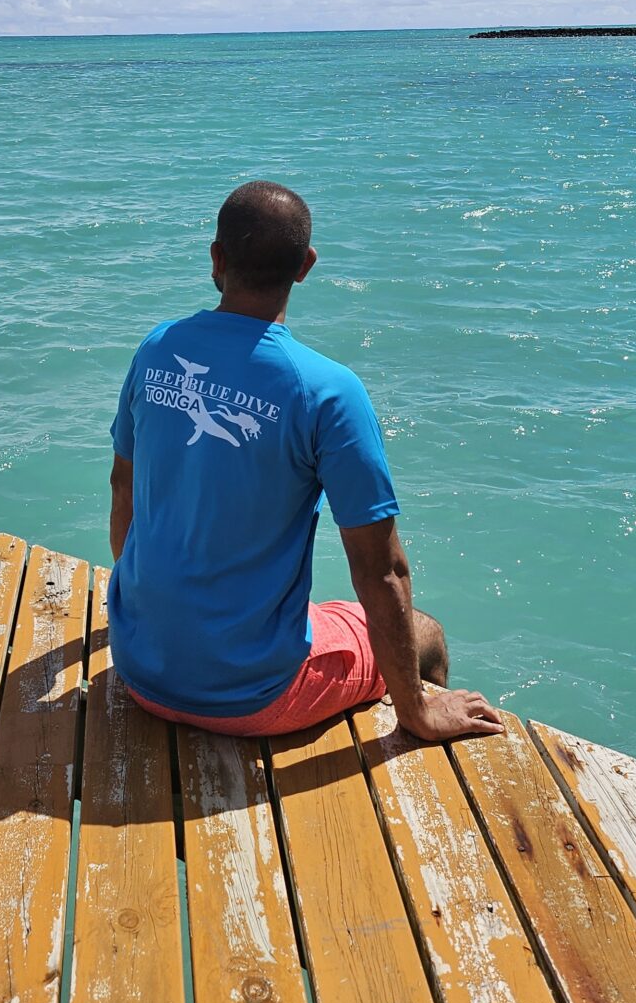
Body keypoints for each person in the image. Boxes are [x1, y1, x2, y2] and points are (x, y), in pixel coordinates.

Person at [107, 180, 505, 744]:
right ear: (306, 266)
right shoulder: (329, 392)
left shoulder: (156, 349)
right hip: (252, 696)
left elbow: (123, 486)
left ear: (216, 258)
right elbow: (381, 570)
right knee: (428, 635)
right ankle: (418, 731)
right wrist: (416, 708)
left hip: (139, 664)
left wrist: (157, 619)